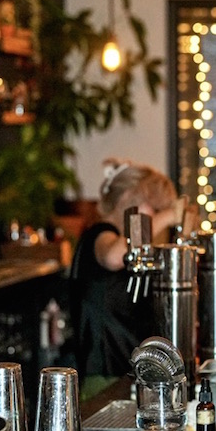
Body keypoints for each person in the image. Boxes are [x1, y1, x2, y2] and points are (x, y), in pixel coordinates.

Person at [67, 158, 179, 395]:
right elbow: (113, 256)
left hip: (123, 373)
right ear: (128, 199)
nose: (156, 216)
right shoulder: (100, 234)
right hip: (102, 375)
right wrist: (167, 216)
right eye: (154, 208)